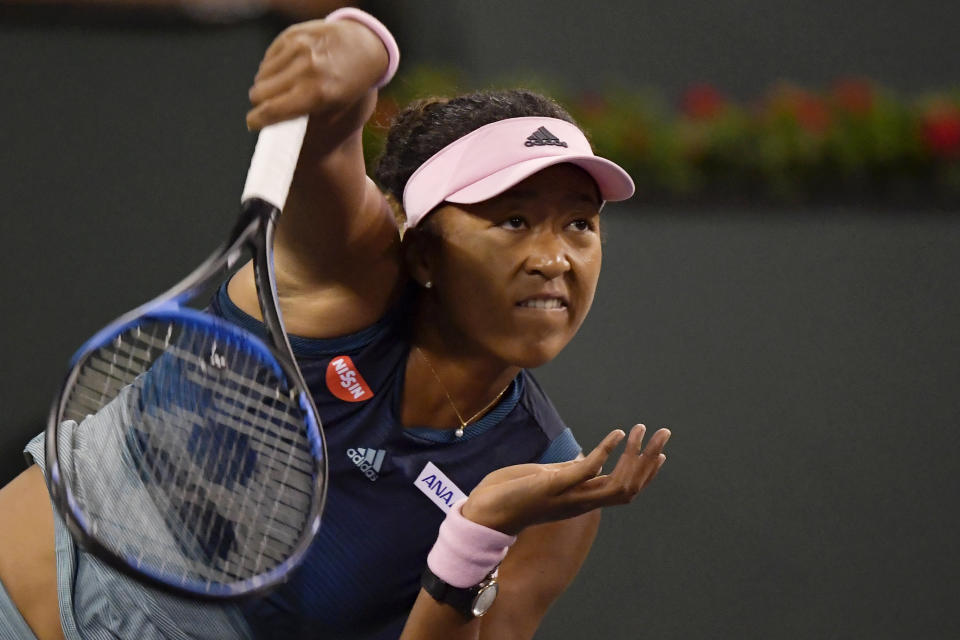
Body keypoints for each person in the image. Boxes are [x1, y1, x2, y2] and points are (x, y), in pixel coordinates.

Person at [0, 8, 670, 640]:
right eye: (513, 220)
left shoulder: (549, 481)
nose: (554, 259)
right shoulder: (354, 275)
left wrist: (474, 537)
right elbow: (326, 139)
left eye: (580, 223)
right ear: (424, 250)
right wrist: (361, 47)